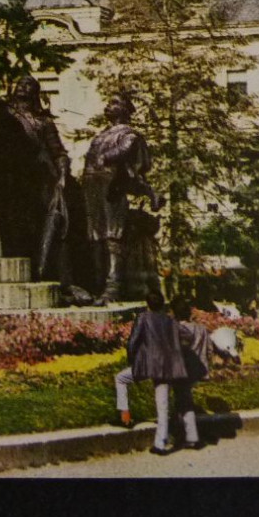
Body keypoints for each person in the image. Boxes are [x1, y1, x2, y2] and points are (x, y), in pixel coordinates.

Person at [81, 94, 164, 302]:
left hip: (113, 185)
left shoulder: (129, 134)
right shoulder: (101, 135)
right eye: (109, 102)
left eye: (114, 102)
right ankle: (98, 284)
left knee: (112, 235)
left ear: (125, 110)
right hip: (92, 184)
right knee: (95, 235)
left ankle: (113, 286)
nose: (109, 105)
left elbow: (126, 149)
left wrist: (107, 157)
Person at [6, 75, 72, 283]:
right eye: (20, 84)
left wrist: (62, 176)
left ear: (35, 93)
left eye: (28, 85)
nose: (23, 87)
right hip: (13, 175)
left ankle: (44, 271)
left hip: (42, 177)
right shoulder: (5, 115)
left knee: (46, 223)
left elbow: (59, 152)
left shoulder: (44, 122)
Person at [115, 290, 189, 454]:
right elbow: (186, 336)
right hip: (165, 368)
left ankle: (125, 415)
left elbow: (132, 342)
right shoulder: (169, 320)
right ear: (162, 304)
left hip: (146, 365)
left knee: (120, 379)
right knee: (162, 406)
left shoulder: (143, 317)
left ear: (147, 303)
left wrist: (132, 360)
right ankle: (160, 445)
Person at [173, 296, 211, 450]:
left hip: (181, 369)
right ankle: (183, 433)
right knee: (183, 399)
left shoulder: (176, 329)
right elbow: (209, 350)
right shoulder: (201, 328)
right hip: (197, 369)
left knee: (184, 401)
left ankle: (189, 436)